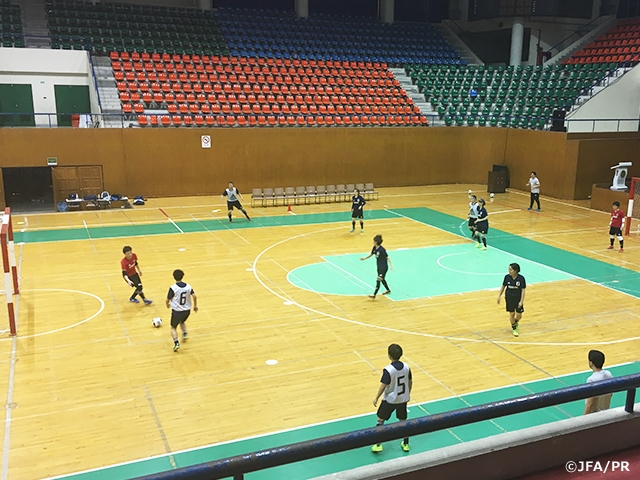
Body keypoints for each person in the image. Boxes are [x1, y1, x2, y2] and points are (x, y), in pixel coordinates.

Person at [372, 343, 412, 453]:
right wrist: (408, 394)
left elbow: (383, 385)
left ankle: (378, 444)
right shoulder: (407, 367)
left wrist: (376, 397)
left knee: (380, 419)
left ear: (389, 355)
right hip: (403, 399)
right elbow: (410, 382)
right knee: (403, 421)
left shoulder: (388, 370)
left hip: (390, 400)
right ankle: (406, 444)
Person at [165, 269, 198, 352]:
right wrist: (195, 306)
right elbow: (194, 296)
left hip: (177, 311)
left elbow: (167, 299)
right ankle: (185, 333)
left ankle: (176, 343)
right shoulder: (188, 286)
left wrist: (167, 305)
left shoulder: (173, 288)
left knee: (173, 327)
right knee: (182, 322)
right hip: (187, 310)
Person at [497, 263, 526, 337]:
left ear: (516, 270)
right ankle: (514, 328)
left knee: (519, 315)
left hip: (518, 298)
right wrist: (499, 296)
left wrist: (521, 301)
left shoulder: (521, 278)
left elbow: (523, 290)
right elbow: (503, 286)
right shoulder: (507, 277)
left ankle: (515, 322)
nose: (509, 271)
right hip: (509, 298)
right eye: (509, 269)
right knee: (512, 314)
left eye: (511, 270)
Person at [360, 234, 393, 299]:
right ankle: (388, 290)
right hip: (379, 267)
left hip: (383, 267)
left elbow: (388, 257)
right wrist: (364, 258)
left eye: (374, 241)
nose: (373, 242)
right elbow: (371, 254)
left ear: (376, 242)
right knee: (382, 279)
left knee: (378, 280)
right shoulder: (374, 248)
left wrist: (391, 266)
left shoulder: (382, 250)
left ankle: (374, 294)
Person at [584, 350, 613, 415]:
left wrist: (583, 418)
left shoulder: (591, 380)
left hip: (595, 415)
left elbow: (590, 403)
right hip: (607, 411)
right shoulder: (609, 374)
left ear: (591, 363)